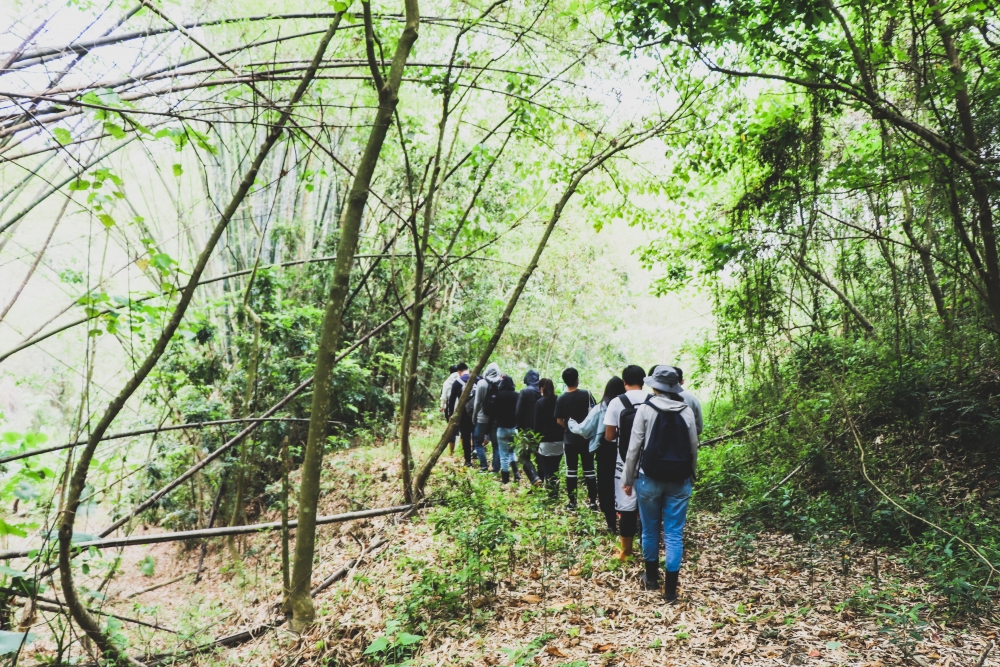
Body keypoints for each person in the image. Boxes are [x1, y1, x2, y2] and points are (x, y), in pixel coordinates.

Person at [621, 365, 699, 603]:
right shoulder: (686, 411)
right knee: (674, 533)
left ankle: (652, 579)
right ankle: (671, 590)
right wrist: (691, 475)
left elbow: (634, 447)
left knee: (650, 529)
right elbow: (694, 446)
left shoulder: (645, 409)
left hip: (649, 479)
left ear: (654, 386)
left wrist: (628, 478)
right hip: (679, 481)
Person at [569, 376, 625, 534]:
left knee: (606, 487)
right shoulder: (629, 405)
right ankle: (628, 523)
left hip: (605, 452)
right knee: (626, 486)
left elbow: (584, 430)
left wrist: (571, 423)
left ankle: (611, 525)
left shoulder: (600, 408)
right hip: (625, 451)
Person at [603, 365, 647, 559]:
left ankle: (625, 552)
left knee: (626, 505)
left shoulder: (616, 402)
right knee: (649, 504)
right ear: (644, 381)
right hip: (650, 460)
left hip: (624, 460)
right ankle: (649, 549)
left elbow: (609, 436)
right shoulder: (654, 400)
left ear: (624, 382)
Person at [554, 367, 596, 511]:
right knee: (589, 470)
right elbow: (595, 412)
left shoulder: (561, 398)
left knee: (571, 471)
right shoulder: (587, 394)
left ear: (565, 381)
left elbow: (559, 420)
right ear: (577, 379)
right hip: (586, 439)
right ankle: (593, 502)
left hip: (570, 440)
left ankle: (572, 503)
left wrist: (569, 428)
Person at [533, 378, 564, 499]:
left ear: (541, 388)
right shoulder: (559, 400)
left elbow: (537, 425)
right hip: (559, 440)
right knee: (555, 467)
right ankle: (555, 491)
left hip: (545, 441)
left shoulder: (539, 403)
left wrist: (536, 444)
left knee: (547, 469)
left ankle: (552, 494)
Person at [471, 362, 503, 473]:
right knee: (496, 445)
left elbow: (477, 403)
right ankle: (495, 469)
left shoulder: (481, 383)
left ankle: (484, 466)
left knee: (478, 442)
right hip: (496, 419)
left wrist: (474, 417)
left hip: (482, 418)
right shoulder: (501, 383)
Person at [515, 370, 542, 485]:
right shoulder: (542, 391)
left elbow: (518, 412)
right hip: (541, 430)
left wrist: (519, 428)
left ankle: (534, 478)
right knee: (540, 456)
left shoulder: (525, 392)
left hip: (527, 430)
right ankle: (542, 481)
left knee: (523, 456)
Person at [493, 375, 521, 484]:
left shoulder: (498, 396)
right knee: (512, 452)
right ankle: (516, 474)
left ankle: (505, 481)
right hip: (513, 428)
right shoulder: (517, 396)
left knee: (503, 455)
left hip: (502, 429)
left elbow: (494, 411)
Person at [448, 364, 473, 465]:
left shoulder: (457, 382)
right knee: (476, 435)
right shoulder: (478, 379)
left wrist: (451, 414)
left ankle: (468, 460)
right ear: (468, 369)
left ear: (459, 372)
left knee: (465, 436)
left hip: (464, 414)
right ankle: (477, 454)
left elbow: (452, 400)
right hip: (477, 412)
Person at [674, 366, 703, 435]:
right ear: (682, 381)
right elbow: (699, 428)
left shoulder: (657, 399)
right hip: (688, 440)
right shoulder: (692, 398)